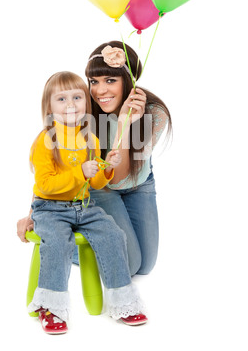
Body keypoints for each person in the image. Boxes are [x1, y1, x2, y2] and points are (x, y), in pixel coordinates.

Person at [20, 71, 147, 334]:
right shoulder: (45, 141)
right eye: (62, 99)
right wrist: (80, 172)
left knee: (113, 234)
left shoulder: (91, 139)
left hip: (83, 207)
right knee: (56, 241)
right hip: (50, 209)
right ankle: (51, 308)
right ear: (49, 107)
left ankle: (123, 302)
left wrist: (106, 168)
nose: (70, 105)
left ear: (85, 104)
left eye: (77, 97)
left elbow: (97, 183)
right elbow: (45, 185)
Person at [79, 41, 172, 277]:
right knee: (129, 265)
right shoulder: (85, 111)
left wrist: (129, 123)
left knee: (146, 266)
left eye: (110, 80)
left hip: (139, 185)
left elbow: (127, 178)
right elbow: (114, 181)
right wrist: (122, 126)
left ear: (128, 81)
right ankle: (62, 245)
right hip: (104, 188)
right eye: (94, 81)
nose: (100, 91)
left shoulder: (154, 113)